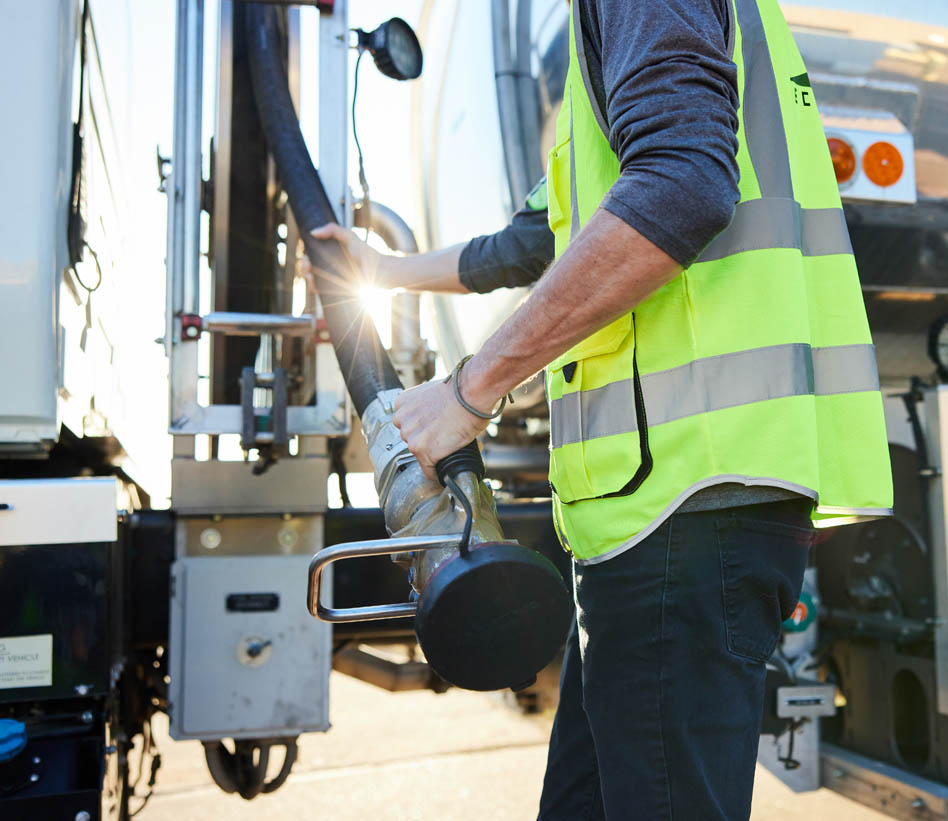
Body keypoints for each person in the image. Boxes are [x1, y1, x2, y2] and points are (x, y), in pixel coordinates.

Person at [307, 0, 892, 817]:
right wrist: (388, 269)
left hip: (687, 508)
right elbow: (537, 240)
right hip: (654, 517)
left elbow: (681, 185)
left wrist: (470, 392)